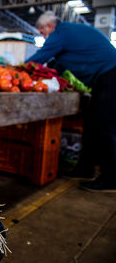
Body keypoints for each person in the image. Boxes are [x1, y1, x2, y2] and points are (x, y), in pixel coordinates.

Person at [25, 11, 116, 192]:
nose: (43, 36)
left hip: (111, 76)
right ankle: (85, 168)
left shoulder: (61, 32)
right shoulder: (69, 35)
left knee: (106, 128)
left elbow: (39, 57)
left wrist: (19, 68)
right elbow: (56, 66)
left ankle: (111, 179)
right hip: (103, 79)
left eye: (42, 33)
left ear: (48, 27)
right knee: (90, 125)